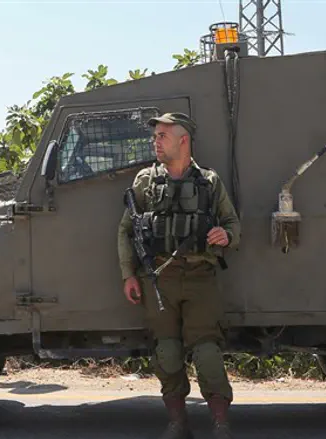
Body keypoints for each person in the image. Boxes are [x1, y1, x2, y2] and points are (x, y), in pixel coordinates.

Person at [117, 112, 241, 439]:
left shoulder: (210, 182)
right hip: (160, 279)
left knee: (207, 353)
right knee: (167, 352)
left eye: (162, 135)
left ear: (183, 140)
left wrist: (225, 236)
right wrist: (128, 274)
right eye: (155, 135)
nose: (155, 141)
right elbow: (126, 230)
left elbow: (233, 225)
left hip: (201, 277)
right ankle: (177, 422)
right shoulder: (145, 180)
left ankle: (220, 423)